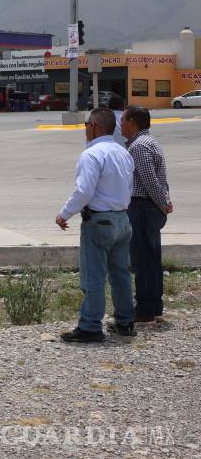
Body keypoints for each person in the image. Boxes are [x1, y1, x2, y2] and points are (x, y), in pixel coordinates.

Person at [55, 107, 135, 343]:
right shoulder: (122, 152)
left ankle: (90, 326)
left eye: (86, 125)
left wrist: (64, 214)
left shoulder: (91, 155)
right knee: (120, 274)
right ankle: (125, 322)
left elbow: (84, 190)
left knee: (93, 275)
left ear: (95, 127)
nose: (85, 129)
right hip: (122, 218)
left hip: (99, 221)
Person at [120, 105, 172, 323]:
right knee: (150, 259)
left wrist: (163, 203)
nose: (120, 124)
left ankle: (145, 309)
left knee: (143, 261)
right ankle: (153, 306)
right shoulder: (148, 142)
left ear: (132, 121)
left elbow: (150, 181)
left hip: (143, 208)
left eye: (122, 119)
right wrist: (164, 202)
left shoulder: (139, 146)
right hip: (148, 207)